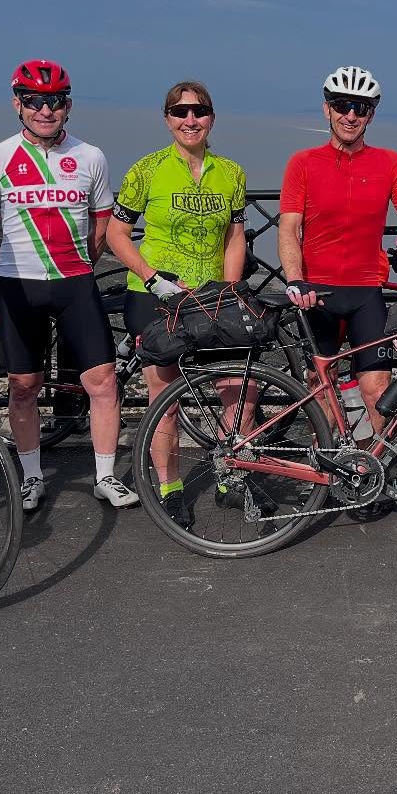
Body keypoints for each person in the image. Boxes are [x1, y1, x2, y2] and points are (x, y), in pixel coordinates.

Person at [0, 59, 138, 512]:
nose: (45, 110)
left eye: (55, 101)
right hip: (18, 285)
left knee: (102, 381)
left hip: (75, 282)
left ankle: (106, 476)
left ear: (68, 105)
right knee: (24, 385)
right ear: (17, 104)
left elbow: (101, 222)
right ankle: (31, 476)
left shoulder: (91, 156)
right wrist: (7, 267)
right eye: (33, 101)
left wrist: (80, 263)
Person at [106, 80, 247, 529]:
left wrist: (229, 289)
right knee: (165, 398)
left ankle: (232, 470)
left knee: (236, 387)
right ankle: (171, 487)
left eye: (199, 112)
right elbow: (115, 234)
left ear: (211, 117)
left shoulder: (232, 173)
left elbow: (235, 236)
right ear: (167, 119)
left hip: (210, 297)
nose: (190, 120)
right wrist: (151, 277)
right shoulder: (146, 169)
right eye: (180, 112)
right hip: (155, 296)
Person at [278, 66, 397, 432]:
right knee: (319, 385)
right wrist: (294, 279)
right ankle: (329, 463)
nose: (350, 115)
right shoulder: (302, 163)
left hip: (365, 291)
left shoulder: (388, 162)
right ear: (327, 109)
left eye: (361, 107)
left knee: (376, 388)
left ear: (371, 113)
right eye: (342, 105)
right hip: (316, 291)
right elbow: (289, 228)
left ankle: (376, 468)